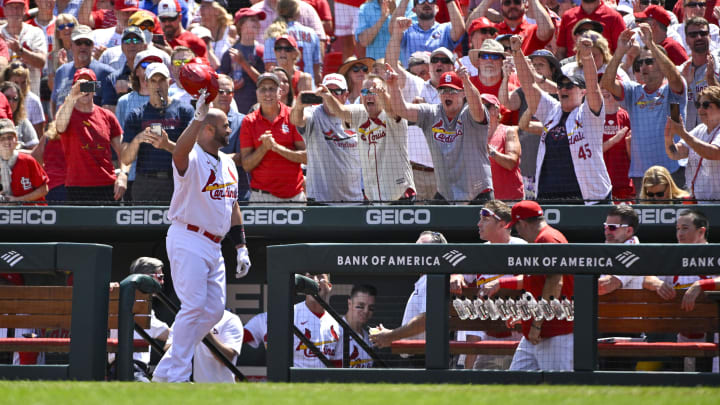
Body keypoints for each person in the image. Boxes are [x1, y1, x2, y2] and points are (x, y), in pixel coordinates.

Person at [152, 87, 251, 383]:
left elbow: (232, 205)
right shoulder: (192, 156)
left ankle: (166, 369)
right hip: (188, 236)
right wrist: (196, 117)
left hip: (215, 244)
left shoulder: (229, 163)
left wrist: (241, 246)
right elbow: (179, 151)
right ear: (209, 129)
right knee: (194, 306)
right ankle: (177, 375)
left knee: (212, 311)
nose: (230, 128)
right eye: (225, 125)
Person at [512, 34, 611, 204]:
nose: (563, 89)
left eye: (569, 86)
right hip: (549, 195)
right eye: (560, 86)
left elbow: (594, 88)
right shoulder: (553, 109)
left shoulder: (588, 113)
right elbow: (529, 86)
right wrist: (517, 52)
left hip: (587, 196)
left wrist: (586, 57)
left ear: (582, 91)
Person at [481, 200, 573, 371]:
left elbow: (554, 282)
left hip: (554, 331)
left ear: (522, 223)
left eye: (516, 227)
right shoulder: (542, 238)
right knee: (516, 379)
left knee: (558, 388)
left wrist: (536, 324)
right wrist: (527, 317)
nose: (518, 232)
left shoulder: (547, 239)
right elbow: (536, 280)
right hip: (539, 330)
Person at [388, 65, 494, 204]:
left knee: (482, 226)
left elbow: (478, 108)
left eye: (452, 91)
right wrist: (393, 85)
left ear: (463, 93)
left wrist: (466, 81)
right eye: (443, 90)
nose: (447, 94)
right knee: (431, 224)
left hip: (477, 192)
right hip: (447, 193)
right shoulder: (431, 113)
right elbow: (402, 109)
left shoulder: (471, 113)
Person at [601, 26, 688, 193]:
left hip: (672, 170)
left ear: (662, 63)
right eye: (640, 63)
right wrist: (619, 52)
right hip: (642, 174)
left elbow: (674, 77)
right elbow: (607, 84)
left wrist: (651, 44)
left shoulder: (673, 91)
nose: (643, 67)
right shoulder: (634, 91)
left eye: (649, 61)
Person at [321, 73, 416, 204]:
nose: (369, 95)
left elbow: (390, 109)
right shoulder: (360, 113)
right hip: (373, 197)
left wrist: (383, 95)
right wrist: (328, 96)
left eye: (374, 91)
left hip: (399, 195)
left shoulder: (395, 113)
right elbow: (340, 111)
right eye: (365, 91)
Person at [459, 199, 525, 370]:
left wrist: (501, 283)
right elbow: (462, 276)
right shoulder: (480, 252)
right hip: (490, 336)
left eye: (485, 219)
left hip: (521, 337)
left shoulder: (520, 247)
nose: (479, 224)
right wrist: (455, 275)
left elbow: (536, 282)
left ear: (502, 224)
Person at [121, 62, 194, 202]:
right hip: (145, 183)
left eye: (161, 80)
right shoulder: (136, 115)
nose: (158, 85)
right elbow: (125, 158)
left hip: (178, 181)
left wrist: (167, 145)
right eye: (153, 80)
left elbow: (194, 152)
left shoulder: (184, 111)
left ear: (169, 82)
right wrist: (139, 139)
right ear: (146, 83)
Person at [55, 68, 126, 202]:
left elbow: (123, 150)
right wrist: (71, 97)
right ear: (74, 87)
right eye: (81, 85)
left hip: (106, 185)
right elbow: (60, 126)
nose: (85, 89)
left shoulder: (107, 116)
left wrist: (123, 175)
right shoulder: (66, 112)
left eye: (89, 84)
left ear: (95, 88)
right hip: (77, 187)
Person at [291, 74, 363, 205]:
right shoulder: (313, 113)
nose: (331, 95)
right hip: (321, 200)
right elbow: (297, 120)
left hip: (354, 200)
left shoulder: (356, 114)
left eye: (337, 91)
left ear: (346, 95)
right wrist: (298, 106)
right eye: (327, 91)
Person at [370, 231, 450, 348]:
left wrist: (391, 335)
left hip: (428, 357)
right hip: (417, 354)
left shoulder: (431, 280)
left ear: (436, 254)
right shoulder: (423, 281)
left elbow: (426, 320)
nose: (414, 252)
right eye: (414, 247)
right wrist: (389, 335)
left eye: (421, 248)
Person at [239, 72, 307, 204]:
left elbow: (306, 157)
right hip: (261, 197)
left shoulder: (292, 115)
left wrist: (276, 148)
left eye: (272, 89)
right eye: (263, 89)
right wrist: (264, 148)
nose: (267, 93)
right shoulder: (249, 121)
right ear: (257, 93)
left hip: (294, 196)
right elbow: (246, 165)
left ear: (280, 92)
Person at [107, 256, 170, 382]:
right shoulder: (139, 306)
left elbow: (170, 335)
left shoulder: (118, 297)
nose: (162, 282)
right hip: (133, 369)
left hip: (116, 369)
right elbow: (171, 335)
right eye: (160, 277)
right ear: (145, 277)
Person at [664, 86, 720, 203]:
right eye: (698, 105)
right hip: (697, 201)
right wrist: (669, 138)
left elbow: (713, 153)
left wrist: (683, 133)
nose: (700, 110)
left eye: (705, 105)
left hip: (716, 203)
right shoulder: (700, 129)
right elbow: (676, 154)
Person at [165, 309, 244, 382]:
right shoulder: (184, 317)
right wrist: (185, 335)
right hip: (184, 388)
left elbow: (228, 358)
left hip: (218, 390)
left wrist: (205, 331)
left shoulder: (230, 319)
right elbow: (166, 353)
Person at [51, 24, 114, 114]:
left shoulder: (105, 72)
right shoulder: (61, 71)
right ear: (71, 45)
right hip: (63, 125)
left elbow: (109, 110)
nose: (83, 46)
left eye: (87, 43)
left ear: (92, 45)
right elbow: (54, 101)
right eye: (79, 42)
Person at [263, 0, 322, 87]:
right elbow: (317, 72)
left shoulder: (273, 33)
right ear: (298, 13)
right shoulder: (312, 33)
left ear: (278, 11)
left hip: (282, 89)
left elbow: (270, 67)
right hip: (308, 87)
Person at [391, 0, 466, 68]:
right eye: (421, 1)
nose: (426, 3)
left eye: (431, 0)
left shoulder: (445, 29)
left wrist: (449, 1)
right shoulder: (406, 30)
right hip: (413, 80)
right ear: (414, 9)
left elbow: (460, 30)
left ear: (437, 8)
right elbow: (392, 27)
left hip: (440, 80)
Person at [219, 8, 265, 115]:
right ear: (241, 25)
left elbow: (263, 82)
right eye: (253, 20)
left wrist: (243, 62)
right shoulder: (230, 52)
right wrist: (231, 86)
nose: (257, 23)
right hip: (235, 109)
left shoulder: (262, 51)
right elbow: (220, 82)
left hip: (257, 108)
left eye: (258, 20)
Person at [213, 75, 250, 204]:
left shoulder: (243, 121)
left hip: (236, 191)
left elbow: (242, 158)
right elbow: (191, 154)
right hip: (206, 191)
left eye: (228, 92)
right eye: (220, 91)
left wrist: (207, 159)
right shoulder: (199, 120)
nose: (224, 95)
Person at [292, 273, 342, 368]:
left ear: (329, 286)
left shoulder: (336, 323)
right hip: (295, 380)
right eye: (310, 278)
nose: (315, 281)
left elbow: (337, 364)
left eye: (320, 277)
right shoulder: (291, 314)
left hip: (323, 381)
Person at [468, 0, 554, 55]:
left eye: (517, 2)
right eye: (507, 2)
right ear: (501, 7)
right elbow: (470, 26)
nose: (512, 5)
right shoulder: (493, 31)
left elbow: (548, 30)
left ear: (525, 5)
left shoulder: (532, 30)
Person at [678, 17, 719, 131]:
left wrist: (711, 80)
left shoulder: (718, 67)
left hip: (715, 137)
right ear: (686, 39)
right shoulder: (682, 71)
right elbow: (672, 108)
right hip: (688, 138)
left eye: (703, 33)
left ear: (709, 37)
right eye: (693, 35)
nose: (699, 37)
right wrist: (683, 88)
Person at [1, 0, 48, 97]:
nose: (15, 11)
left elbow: (42, 62)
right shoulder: (0, 33)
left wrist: (20, 51)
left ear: (24, 10)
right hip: (3, 96)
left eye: (19, 7)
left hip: (30, 95)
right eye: (11, 7)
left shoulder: (35, 32)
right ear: (4, 10)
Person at [101, 26, 150, 114]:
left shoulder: (153, 73)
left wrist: (129, 90)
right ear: (122, 47)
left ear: (145, 46)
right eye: (127, 41)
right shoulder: (112, 78)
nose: (131, 44)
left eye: (136, 40)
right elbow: (108, 112)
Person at [555, 0, 626, 59]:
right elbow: (561, 52)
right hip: (573, 72)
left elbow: (622, 52)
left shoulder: (614, 18)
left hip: (604, 72)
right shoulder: (568, 16)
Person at [0, 118, 48, 204]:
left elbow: (44, 189)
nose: (6, 141)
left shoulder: (27, 160)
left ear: (16, 139)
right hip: (6, 214)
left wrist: (17, 199)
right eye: (2, 138)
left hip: (32, 213)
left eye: (10, 137)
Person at [484, 94, 523, 200]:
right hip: (485, 199)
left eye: (486, 106)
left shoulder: (508, 131)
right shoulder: (474, 134)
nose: (482, 110)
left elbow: (511, 163)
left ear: (497, 111)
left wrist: (490, 151)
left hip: (509, 198)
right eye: (480, 106)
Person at [597, 204, 643, 295]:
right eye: (606, 227)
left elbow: (604, 286)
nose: (607, 232)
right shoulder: (613, 247)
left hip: (629, 308)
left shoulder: (633, 251)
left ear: (628, 231)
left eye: (612, 227)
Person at [601, 86, 634, 201]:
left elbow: (632, 157)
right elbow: (593, 152)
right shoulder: (593, 117)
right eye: (601, 86)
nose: (605, 89)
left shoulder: (626, 116)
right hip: (602, 184)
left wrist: (629, 144)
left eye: (608, 85)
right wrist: (615, 139)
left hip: (624, 182)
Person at [251, 0, 327, 47]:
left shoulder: (306, 9)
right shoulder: (254, 11)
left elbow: (320, 40)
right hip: (266, 68)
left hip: (304, 69)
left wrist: (317, 69)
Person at [3, 61, 46, 138]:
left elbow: (40, 136)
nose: (20, 86)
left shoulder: (34, 101)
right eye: (16, 82)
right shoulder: (1, 97)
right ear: (7, 81)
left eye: (23, 82)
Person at [340, 284, 377, 368]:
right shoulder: (335, 331)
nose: (366, 311)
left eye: (371, 308)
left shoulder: (369, 338)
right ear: (350, 303)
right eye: (360, 306)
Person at [197, 0, 236, 71]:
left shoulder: (230, 30)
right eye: (201, 6)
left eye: (204, 6)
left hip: (226, 77)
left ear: (217, 11)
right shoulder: (196, 30)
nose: (200, 9)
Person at [0, 82, 38, 151]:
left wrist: (18, 150)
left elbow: (35, 148)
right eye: (7, 98)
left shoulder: (23, 122)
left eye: (15, 99)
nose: (11, 102)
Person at [48, 14, 79, 92]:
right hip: (63, 98)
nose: (66, 28)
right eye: (61, 27)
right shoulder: (52, 56)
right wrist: (63, 70)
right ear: (58, 34)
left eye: (70, 25)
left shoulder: (85, 50)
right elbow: (52, 87)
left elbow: (95, 85)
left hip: (85, 97)